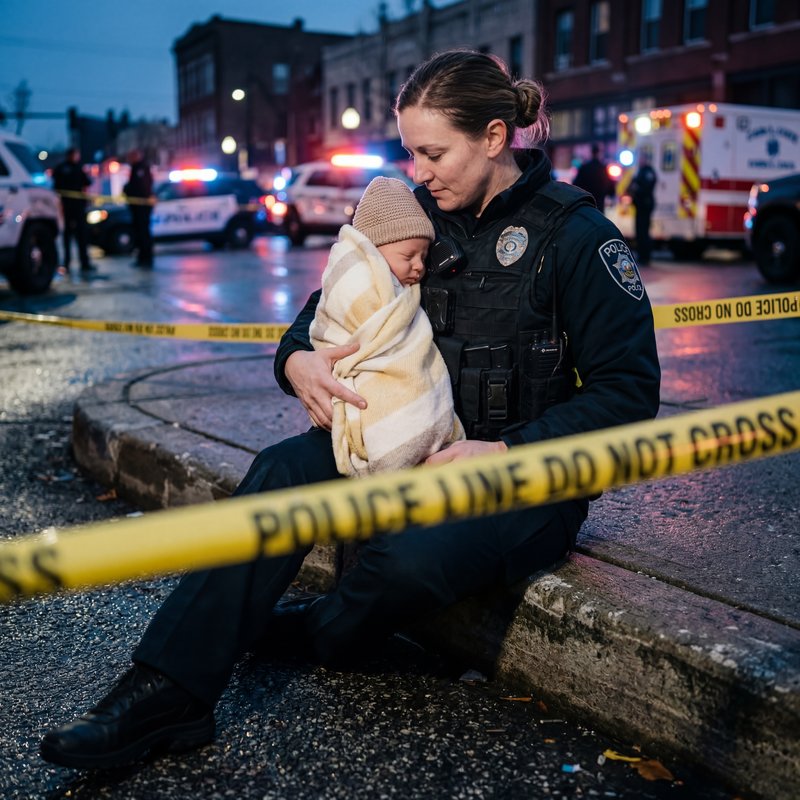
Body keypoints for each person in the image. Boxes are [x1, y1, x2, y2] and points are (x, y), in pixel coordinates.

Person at [40, 49, 660, 770]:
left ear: (495, 138)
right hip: (397, 444)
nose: (418, 170)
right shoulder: (415, 214)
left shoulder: (578, 237)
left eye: (433, 152)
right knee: (276, 472)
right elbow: (325, 309)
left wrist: (507, 452)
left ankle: (314, 633)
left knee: (405, 560)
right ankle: (162, 695)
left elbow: (627, 392)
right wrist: (296, 358)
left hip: (521, 477)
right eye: (410, 152)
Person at [311, 175, 464, 477]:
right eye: (409, 257)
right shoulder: (355, 279)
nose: (419, 266)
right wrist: (291, 359)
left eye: (424, 256)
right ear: (372, 253)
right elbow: (331, 316)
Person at [51, 147, 96, 275]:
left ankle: (74, 263)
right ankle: (73, 263)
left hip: (72, 207)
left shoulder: (65, 168)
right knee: (73, 236)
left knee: (76, 236)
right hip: (72, 207)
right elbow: (87, 183)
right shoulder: (75, 168)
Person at [124, 148, 155, 268]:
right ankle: (143, 258)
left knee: (143, 233)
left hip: (141, 207)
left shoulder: (141, 168)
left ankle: (146, 258)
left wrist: (128, 190)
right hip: (137, 207)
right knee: (140, 233)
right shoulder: (136, 168)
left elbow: (141, 187)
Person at [631, 151, 658, 265]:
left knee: (644, 231)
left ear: (646, 159)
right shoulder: (640, 171)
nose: (640, 161)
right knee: (639, 231)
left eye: (641, 158)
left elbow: (647, 187)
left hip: (645, 205)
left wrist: (637, 189)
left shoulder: (648, 171)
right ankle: (641, 255)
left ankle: (645, 257)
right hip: (640, 205)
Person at [573, 143, 614, 212]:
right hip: (600, 204)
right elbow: (610, 187)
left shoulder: (584, 168)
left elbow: (576, 184)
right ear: (599, 153)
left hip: (586, 203)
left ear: (591, 152)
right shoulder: (603, 168)